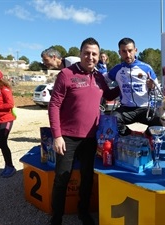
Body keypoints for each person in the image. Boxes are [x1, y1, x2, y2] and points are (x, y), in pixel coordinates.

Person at [48, 37, 120, 225]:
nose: (90, 57)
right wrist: (57, 135)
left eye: (94, 54)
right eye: (86, 53)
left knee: (87, 178)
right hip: (67, 138)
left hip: (91, 138)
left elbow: (110, 95)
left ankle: (83, 212)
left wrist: (125, 82)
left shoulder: (98, 77)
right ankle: (56, 218)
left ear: (99, 56)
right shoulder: (66, 74)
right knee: (62, 179)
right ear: (80, 54)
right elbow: (54, 105)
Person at [107, 37, 162, 136]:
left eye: (130, 51)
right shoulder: (117, 69)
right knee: (113, 120)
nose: (127, 55)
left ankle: (147, 138)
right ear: (119, 52)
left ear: (135, 50)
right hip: (126, 109)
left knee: (160, 120)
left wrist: (153, 87)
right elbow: (102, 79)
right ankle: (131, 135)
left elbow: (158, 91)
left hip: (145, 108)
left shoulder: (146, 68)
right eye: (124, 51)